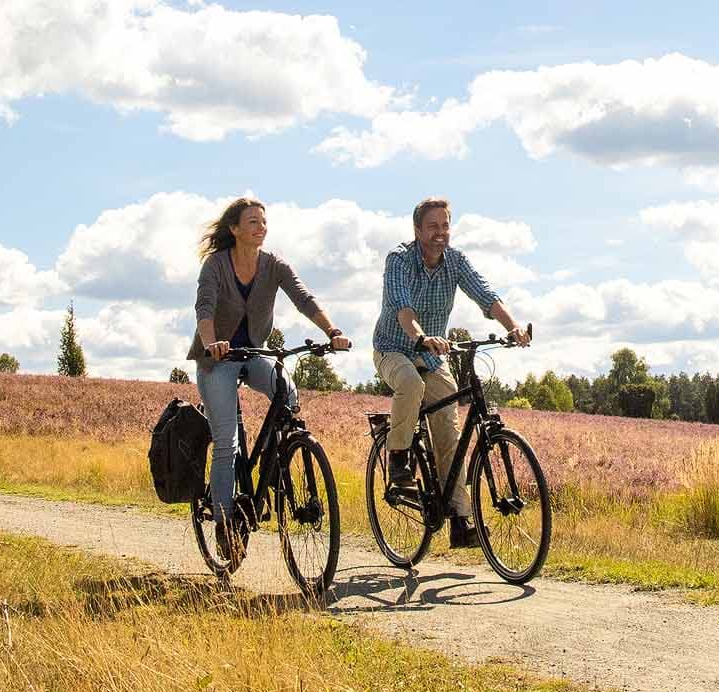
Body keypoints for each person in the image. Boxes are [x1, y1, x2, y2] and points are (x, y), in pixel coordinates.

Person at [189, 197, 348, 564]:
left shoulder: (273, 265)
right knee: (227, 442)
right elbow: (205, 308)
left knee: (287, 395)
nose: (260, 227)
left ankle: (280, 464)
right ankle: (226, 523)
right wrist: (212, 342)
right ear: (234, 229)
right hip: (218, 360)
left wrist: (332, 330)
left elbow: (303, 299)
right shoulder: (215, 265)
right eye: (252, 222)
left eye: (263, 221)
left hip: (256, 354)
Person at [374, 197, 525, 540]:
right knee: (410, 384)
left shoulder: (455, 262)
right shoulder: (399, 259)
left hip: (433, 356)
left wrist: (512, 327)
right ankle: (398, 458)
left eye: (445, 226)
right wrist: (422, 336)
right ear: (417, 230)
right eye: (432, 226)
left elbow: (485, 294)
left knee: (449, 434)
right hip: (393, 348)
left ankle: (460, 518)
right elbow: (402, 307)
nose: (440, 233)